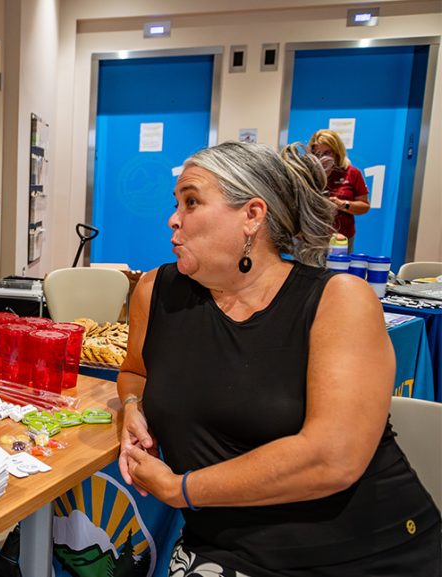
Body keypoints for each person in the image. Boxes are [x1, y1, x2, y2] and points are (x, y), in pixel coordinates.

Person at [117, 141, 440, 576]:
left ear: (252, 215)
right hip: (222, 548)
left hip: (361, 552)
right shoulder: (156, 290)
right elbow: (136, 370)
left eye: (191, 201)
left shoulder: (338, 301)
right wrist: (133, 410)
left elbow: (332, 458)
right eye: (176, 203)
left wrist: (182, 489)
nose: (173, 219)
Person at [308, 129, 370, 252]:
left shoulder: (352, 173)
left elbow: (364, 206)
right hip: (312, 238)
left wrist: (343, 204)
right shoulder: (308, 174)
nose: (322, 158)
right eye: (317, 154)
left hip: (342, 238)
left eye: (327, 153)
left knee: (338, 270)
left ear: (337, 153)